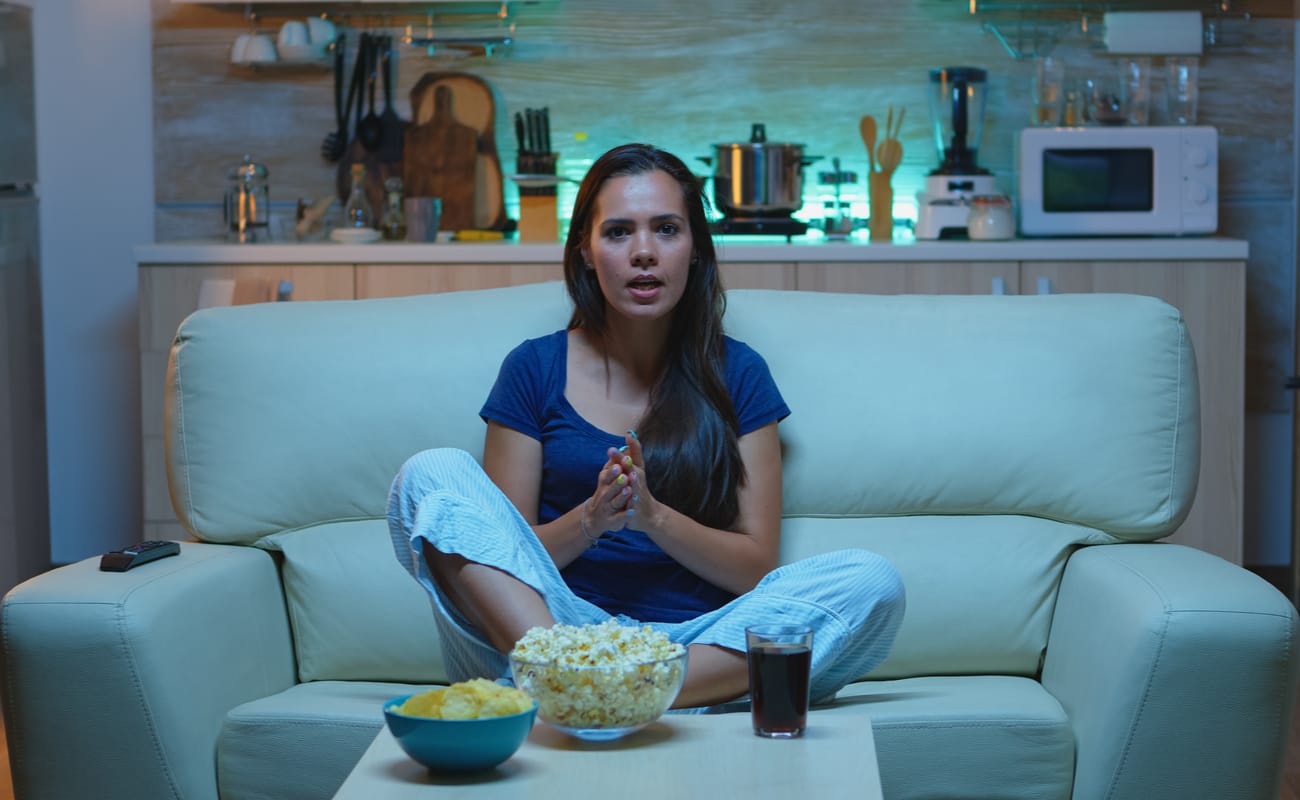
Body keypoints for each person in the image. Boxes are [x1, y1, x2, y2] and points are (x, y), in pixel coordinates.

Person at [387, 143, 904, 709]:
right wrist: (590, 521)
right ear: (585, 250)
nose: (643, 253)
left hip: (693, 647)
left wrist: (652, 517)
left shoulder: (740, 373)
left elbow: (755, 568)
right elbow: (504, 556)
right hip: (549, 633)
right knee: (431, 471)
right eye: (617, 232)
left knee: (871, 581)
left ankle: (604, 694)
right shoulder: (533, 368)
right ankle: (568, 677)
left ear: (695, 250)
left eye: (665, 229)